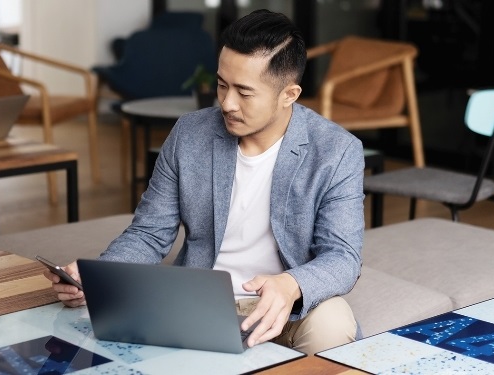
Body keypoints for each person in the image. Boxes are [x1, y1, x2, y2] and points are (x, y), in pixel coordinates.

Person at [46, 9, 365, 355]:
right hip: (199, 303)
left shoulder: (337, 151)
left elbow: (343, 257)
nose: (226, 103)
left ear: (289, 94)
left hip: (288, 308)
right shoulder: (189, 134)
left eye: (244, 92)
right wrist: (97, 278)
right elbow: (149, 233)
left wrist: (290, 285)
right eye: (221, 84)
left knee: (333, 323)